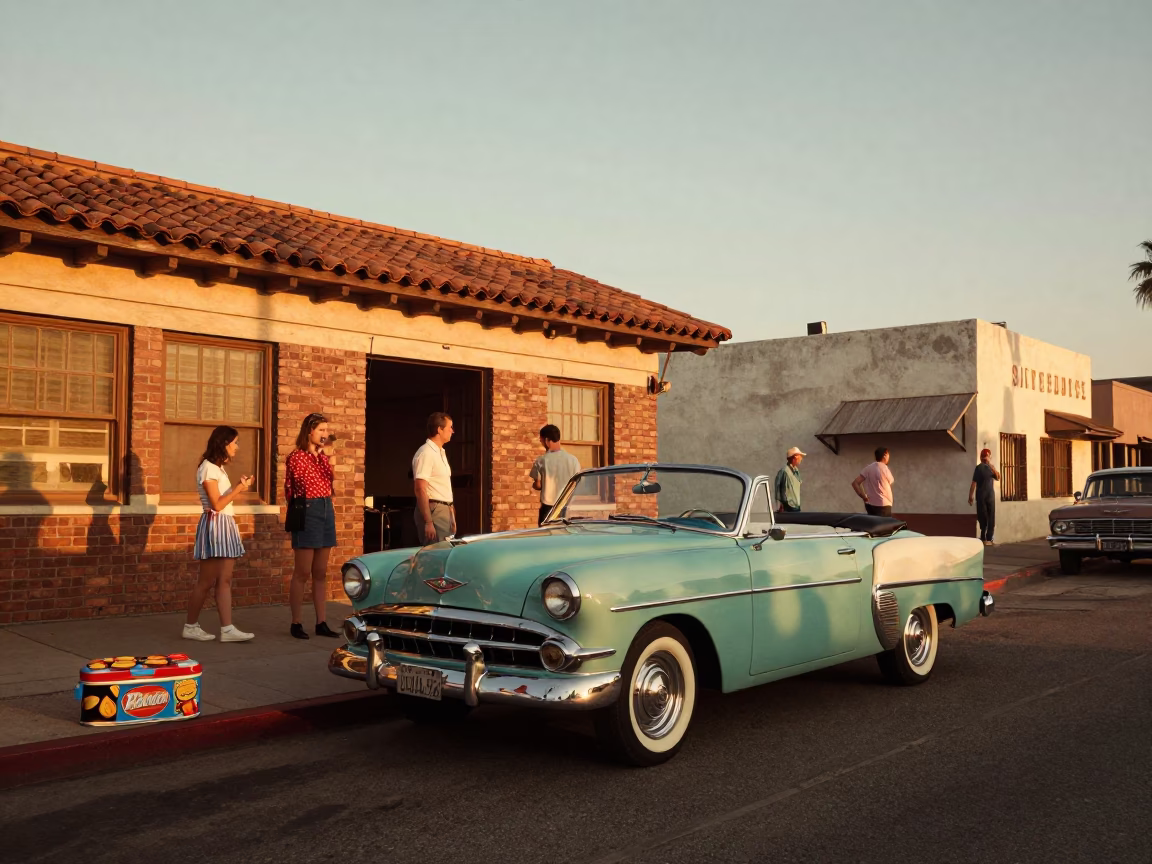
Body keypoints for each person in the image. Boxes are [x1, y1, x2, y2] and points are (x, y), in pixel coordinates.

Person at [183, 425, 255, 642]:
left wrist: (237, 487)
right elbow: (216, 504)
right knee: (205, 581)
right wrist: (239, 489)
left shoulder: (217, 468)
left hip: (225, 524)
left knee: (225, 579)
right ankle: (191, 625)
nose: (237, 447)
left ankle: (227, 629)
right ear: (224, 443)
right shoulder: (208, 468)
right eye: (235, 442)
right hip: (215, 525)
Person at [285, 413, 340, 640]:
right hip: (307, 508)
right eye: (320, 430)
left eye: (326, 430)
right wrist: (318, 456)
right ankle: (296, 622)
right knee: (303, 572)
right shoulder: (297, 457)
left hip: (326, 508)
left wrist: (327, 458)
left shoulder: (324, 457)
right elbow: (303, 482)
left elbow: (332, 481)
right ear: (309, 432)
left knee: (320, 572)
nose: (325, 435)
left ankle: (321, 622)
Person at [413, 412, 455, 544]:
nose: (452, 431)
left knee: (445, 553)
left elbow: (444, 487)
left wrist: (451, 515)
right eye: (450, 427)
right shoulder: (426, 453)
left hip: (444, 511)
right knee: (435, 555)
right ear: (439, 429)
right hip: (434, 510)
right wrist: (428, 521)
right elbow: (420, 488)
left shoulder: (441, 453)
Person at [530, 424, 582, 525]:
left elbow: (538, 485)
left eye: (541, 441)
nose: (542, 444)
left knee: (545, 538)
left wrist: (536, 485)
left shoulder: (541, 461)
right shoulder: (573, 460)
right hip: (567, 507)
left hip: (548, 508)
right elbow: (577, 484)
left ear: (546, 440)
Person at [969, 448, 1001, 545]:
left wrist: (992, 467)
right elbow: (974, 482)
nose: (986, 458)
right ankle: (984, 537)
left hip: (990, 495)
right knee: (983, 516)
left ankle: (989, 538)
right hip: (981, 495)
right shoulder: (978, 468)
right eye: (986, 456)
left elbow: (998, 477)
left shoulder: (991, 468)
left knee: (990, 515)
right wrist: (971, 495)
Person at [852, 446, 895, 517]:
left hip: (870, 504)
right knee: (884, 526)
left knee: (873, 526)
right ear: (885, 455)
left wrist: (863, 496)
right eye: (888, 455)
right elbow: (890, 482)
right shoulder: (884, 468)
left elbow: (855, 483)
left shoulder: (868, 468)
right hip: (883, 505)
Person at [774, 446, 805, 512]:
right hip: (788, 506)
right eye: (800, 457)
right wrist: (780, 504)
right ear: (795, 457)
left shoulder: (796, 471)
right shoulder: (784, 471)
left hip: (796, 505)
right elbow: (777, 486)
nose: (801, 459)